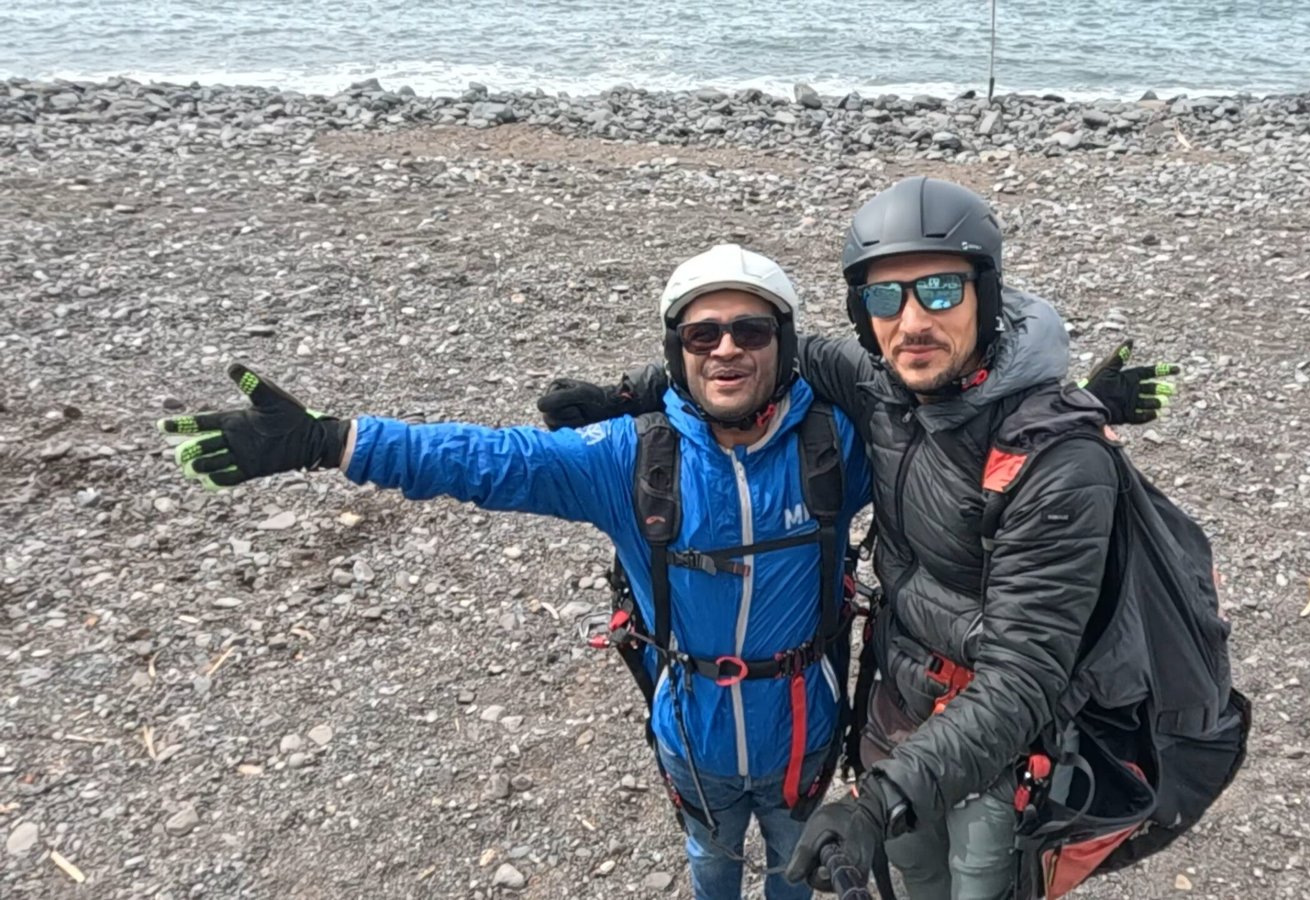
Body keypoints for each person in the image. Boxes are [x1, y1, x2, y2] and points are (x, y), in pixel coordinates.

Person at [541, 176, 1247, 900]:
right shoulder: (879, 386)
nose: (911, 321)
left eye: (940, 291)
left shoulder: (1064, 467)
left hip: (1005, 739)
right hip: (897, 706)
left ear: (986, 294)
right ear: (863, 315)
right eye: (885, 297)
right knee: (909, 879)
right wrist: (631, 393)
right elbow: (754, 358)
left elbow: (1024, 676)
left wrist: (875, 803)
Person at [156, 245, 877, 900]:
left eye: (751, 332)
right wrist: (330, 440)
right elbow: (487, 459)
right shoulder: (627, 458)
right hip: (691, 734)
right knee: (710, 859)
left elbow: (934, 404)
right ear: (678, 351)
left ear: (785, 347)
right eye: (701, 334)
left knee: (797, 869)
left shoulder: (839, 444)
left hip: (804, 731)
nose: (726, 349)